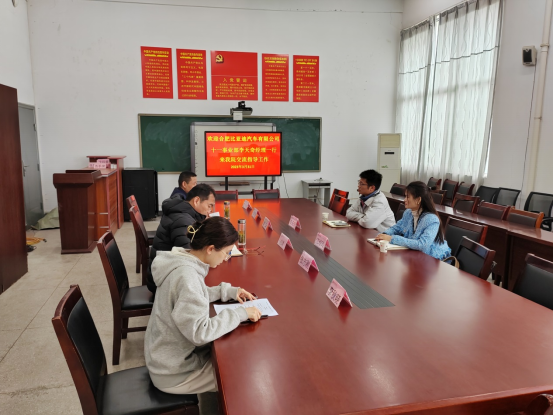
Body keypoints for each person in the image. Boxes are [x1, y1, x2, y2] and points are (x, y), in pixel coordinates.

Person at [145, 217, 262, 396]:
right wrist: (240, 314)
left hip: (164, 358)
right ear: (210, 249)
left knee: (231, 351)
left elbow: (194, 294)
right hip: (174, 373)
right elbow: (201, 333)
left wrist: (227, 291)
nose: (226, 258)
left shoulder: (181, 260)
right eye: (226, 253)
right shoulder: (187, 277)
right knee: (243, 373)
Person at [148, 184, 216, 293]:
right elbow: (190, 255)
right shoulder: (183, 220)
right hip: (162, 283)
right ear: (196, 201)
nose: (210, 210)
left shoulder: (182, 211)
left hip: (164, 272)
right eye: (209, 206)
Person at [376, 181, 451, 260]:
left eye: (407, 197)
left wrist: (391, 239)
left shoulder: (432, 219)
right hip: (416, 256)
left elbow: (422, 245)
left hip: (434, 259)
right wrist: (384, 234)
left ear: (418, 199)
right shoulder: (408, 213)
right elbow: (397, 228)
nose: (405, 200)